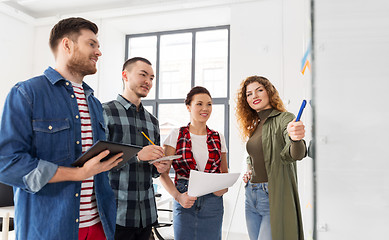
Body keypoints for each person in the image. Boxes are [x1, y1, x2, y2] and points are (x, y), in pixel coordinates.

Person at [0, 17, 123, 240]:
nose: (98, 52)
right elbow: (7, 163)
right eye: (92, 44)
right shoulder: (26, 93)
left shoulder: (94, 103)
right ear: (67, 45)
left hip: (99, 226)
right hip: (50, 228)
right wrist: (78, 173)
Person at [103, 57, 170, 240]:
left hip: (147, 215)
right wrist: (137, 156)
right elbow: (97, 162)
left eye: (152, 78)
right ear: (125, 75)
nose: (148, 81)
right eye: (143, 75)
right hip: (117, 215)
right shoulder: (105, 112)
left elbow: (153, 172)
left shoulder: (152, 121)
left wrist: (159, 167)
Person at [235, 76, 307, 240]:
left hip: (271, 195)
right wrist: (249, 171)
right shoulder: (255, 125)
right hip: (251, 196)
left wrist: (296, 138)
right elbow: (253, 157)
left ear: (269, 92)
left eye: (259, 90)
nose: (254, 96)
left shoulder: (285, 118)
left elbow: (295, 154)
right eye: (249, 94)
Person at [160, 86, 229, 240]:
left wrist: (222, 189)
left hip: (213, 203)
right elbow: (162, 173)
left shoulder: (219, 137)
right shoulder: (175, 135)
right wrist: (178, 197)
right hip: (185, 199)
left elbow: (224, 173)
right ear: (188, 107)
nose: (205, 108)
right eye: (199, 104)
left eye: (209, 104)